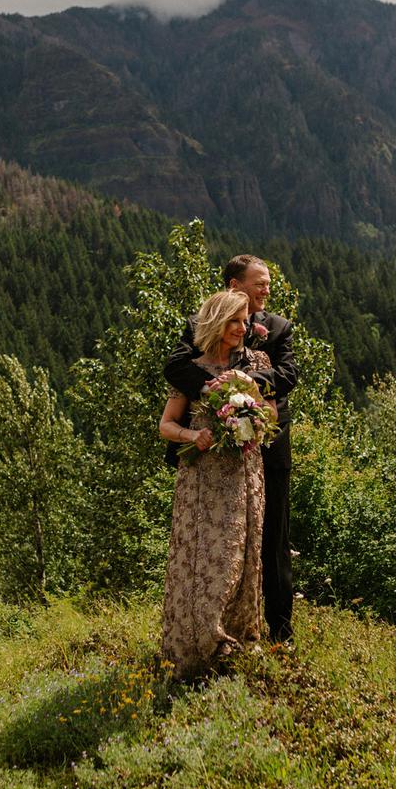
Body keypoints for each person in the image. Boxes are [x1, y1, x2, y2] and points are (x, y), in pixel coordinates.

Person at [165, 255, 298, 645]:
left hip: (267, 448)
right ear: (233, 286)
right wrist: (214, 390)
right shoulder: (199, 324)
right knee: (212, 543)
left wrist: (247, 381)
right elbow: (175, 367)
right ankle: (206, 630)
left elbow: (288, 376)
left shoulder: (277, 329)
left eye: (268, 283)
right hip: (210, 454)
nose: (267, 290)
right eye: (260, 283)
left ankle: (279, 632)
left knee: (271, 539)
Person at [158, 289, 270, 677]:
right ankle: (201, 646)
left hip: (244, 476)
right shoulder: (194, 370)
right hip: (202, 482)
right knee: (207, 561)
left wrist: (250, 395)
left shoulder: (256, 362)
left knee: (243, 558)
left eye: (244, 321)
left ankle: (240, 641)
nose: (243, 328)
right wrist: (194, 437)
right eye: (235, 322)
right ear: (217, 323)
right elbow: (166, 425)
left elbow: (269, 416)